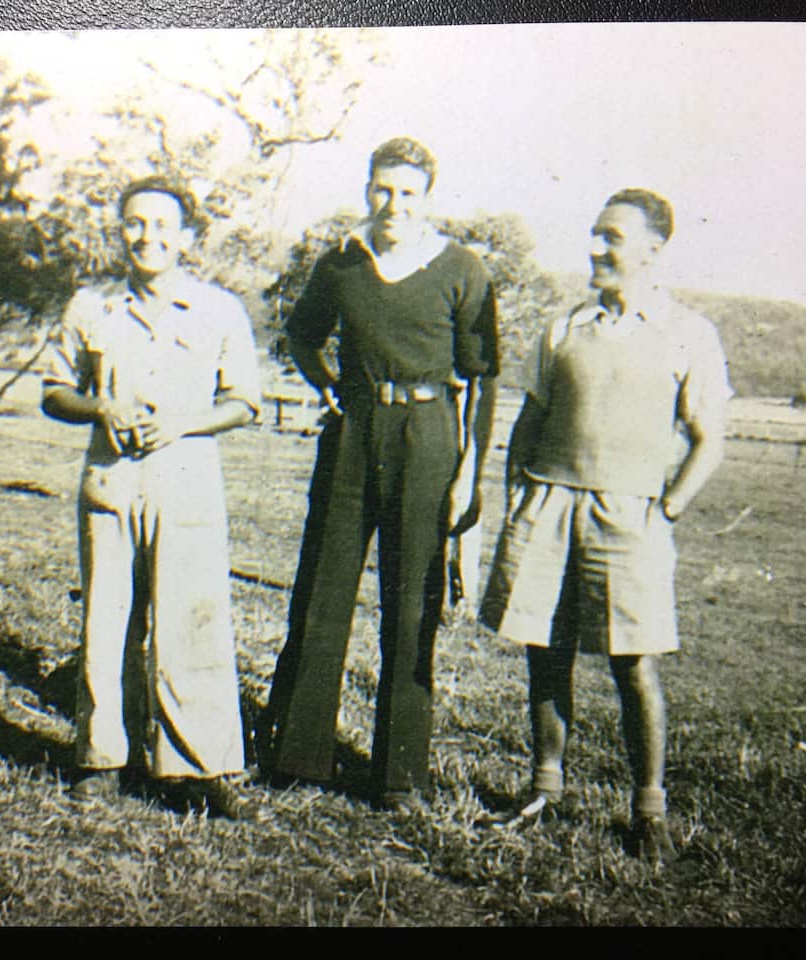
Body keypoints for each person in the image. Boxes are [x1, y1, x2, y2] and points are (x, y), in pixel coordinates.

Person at [479, 188, 731, 862]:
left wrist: (666, 508)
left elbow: (709, 440)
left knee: (633, 664)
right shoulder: (567, 326)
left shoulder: (687, 333)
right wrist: (518, 504)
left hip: (629, 517)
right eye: (593, 233)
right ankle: (542, 790)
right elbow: (530, 422)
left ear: (653, 248)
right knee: (544, 652)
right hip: (549, 506)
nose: (596, 248)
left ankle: (648, 810)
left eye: (612, 237)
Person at [258, 137, 499, 811]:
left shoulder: (460, 267)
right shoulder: (341, 262)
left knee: (412, 601)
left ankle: (398, 776)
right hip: (353, 432)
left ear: (428, 198)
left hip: (428, 436)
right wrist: (327, 384)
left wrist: (467, 475)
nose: (393, 205)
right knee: (322, 591)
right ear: (368, 189)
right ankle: (298, 758)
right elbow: (302, 335)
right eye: (382, 190)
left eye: (408, 193)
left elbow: (483, 382)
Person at [42, 173, 263, 819]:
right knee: (107, 622)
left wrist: (183, 421)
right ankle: (101, 759)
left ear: (187, 237)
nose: (149, 236)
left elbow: (244, 401)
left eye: (163, 225)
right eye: (136, 223)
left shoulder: (219, 309)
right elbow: (54, 391)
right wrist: (99, 408)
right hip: (111, 482)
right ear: (120, 231)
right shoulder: (91, 306)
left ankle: (198, 766)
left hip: (187, 482)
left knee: (191, 621)